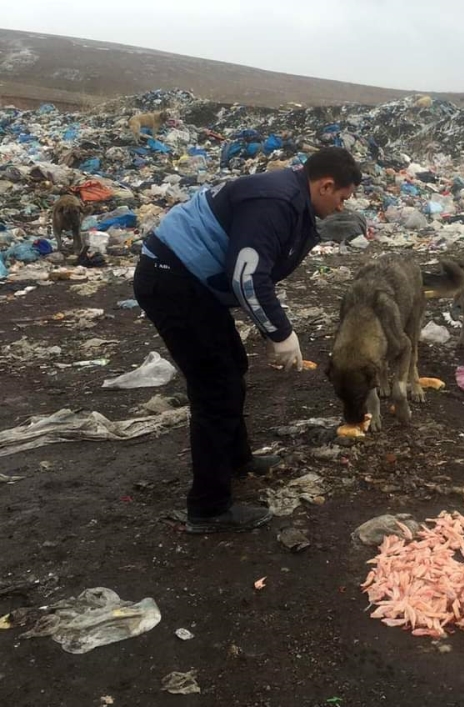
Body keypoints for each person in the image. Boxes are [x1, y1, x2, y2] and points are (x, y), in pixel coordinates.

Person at [134, 147, 362, 534]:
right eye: (342, 198)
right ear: (325, 185)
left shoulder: (293, 200)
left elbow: (259, 268)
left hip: (191, 283)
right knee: (215, 387)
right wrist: (280, 334)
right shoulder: (275, 201)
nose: (342, 207)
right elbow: (246, 276)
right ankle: (208, 508)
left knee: (231, 367)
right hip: (171, 280)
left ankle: (237, 460)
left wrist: (273, 325)